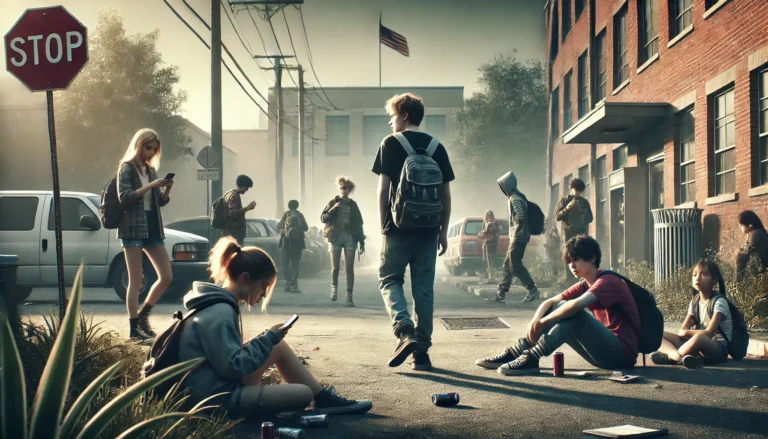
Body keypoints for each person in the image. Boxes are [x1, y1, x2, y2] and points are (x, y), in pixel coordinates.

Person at [177, 236, 373, 417]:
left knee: (277, 346)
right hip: (217, 399)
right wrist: (266, 339)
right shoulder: (220, 312)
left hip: (218, 383)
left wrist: (267, 340)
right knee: (303, 394)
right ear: (246, 278)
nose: (263, 295)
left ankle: (323, 398)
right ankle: (317, 398)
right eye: (263, 286)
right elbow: (232, 367)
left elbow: (226, 359)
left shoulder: (219, 304)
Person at [372, 92, 455, 371]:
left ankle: (404, 329)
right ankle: (422, 353)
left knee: (389, 279)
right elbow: (445, 193)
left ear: (404, 115)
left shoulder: (390, 144)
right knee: (424, 290)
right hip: (429, 230)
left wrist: (384, 225)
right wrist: (443, 231)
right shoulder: (437, 147)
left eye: (393, 116)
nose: (390, 122)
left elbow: (383, 189)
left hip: (398, 228)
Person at [476, 235, 640, 374]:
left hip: (621, 355)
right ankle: (517, 351)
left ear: (592, 258)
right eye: (569, 261)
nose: (572, 266)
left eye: (576, 259)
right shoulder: (586, 284)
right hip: (603, 353)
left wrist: (542, 324)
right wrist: (535, 322)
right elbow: (551, 301)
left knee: (576, 315)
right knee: (557, 308)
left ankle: (533, 358)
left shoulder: (608, 281)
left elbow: (575, 306)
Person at [117, 128, 174, 340]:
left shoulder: (150, 170)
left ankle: (143, 316)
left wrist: (166, 189)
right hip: (132, 228)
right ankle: (134, 329)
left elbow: (158, 201)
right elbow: (125, 197)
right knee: (135, 281)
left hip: (152, 227)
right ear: (139, 145)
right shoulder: (127, 168)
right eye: (148, 148)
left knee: (166, 276)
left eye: (155, 149)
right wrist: (150, 185)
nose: (151, 152)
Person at [650, 259, 733, 369]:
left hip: (718, 348)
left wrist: (687, 332)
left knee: (700, 337)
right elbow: (682, 330)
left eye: (704, 274)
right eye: (694, 275)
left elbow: (708, 334)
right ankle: (682, 357)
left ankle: (671, 358)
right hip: (696, 346)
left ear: (714, 280)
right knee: (659, 334)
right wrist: (686, 331)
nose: (697, 278)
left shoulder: (719, 302)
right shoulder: (694, 302)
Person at [486, 171, 540, 304]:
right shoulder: (519, 196)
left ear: (507, 186)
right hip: (520, 236)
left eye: (503, 186)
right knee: (507, 265)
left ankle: (532, 289)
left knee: (515, 266)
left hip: (518, 238)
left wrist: (516, 231)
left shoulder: (514, 198)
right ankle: (501, 294)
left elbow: (520, 217)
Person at [321, 176, 366, 307]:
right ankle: (334, 288)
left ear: (349, 189)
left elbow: (359, 223)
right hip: (335, 237)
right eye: (341, 187)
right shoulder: (332, 202)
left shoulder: (353, 204)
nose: (343, 190)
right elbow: (323, 218)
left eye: (345, 187)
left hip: (350, 238)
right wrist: (333, 208)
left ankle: (349, 297)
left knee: (349, 269)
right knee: (335, 268)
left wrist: (362, 241)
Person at [554, 178, 593, 282]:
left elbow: (590, 218)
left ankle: (581, 279)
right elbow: (557, 217)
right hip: (568, 233)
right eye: (576, 190)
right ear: (571, 189)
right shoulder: (564, 200)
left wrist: (583, 211)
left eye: (579, 191)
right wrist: (567, 208)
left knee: (582, 256)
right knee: (569, 256)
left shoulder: (584, 202)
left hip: (581, 233)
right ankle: (569, 280)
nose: (577, 193)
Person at [277, 200, 309, 293]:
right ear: (297, 206)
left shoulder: (285, 214)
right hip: (297, 242)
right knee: (295, 263)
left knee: (285, 263)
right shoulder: (300, 215)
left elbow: (279, 226)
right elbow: (306, 228)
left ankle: (287, 282)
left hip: (285, 242)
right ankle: (294, 285)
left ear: (288, 206)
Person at [222, 175, 257, 246]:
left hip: (229, 232)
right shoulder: (234, 196)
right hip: (234, 233)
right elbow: (233, 213)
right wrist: (247, 208)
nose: (247, 190)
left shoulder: (228, 194)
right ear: (242, 186)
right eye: (246, 187)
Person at [736, 210, 768, 277]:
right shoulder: (756, 232)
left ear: (750, 225)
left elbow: (746, 250)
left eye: (741, 225)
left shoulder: (756, 234)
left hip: (759, 268)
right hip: (758, 267)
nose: (740, 227)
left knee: (740, 257)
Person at [479, 211, 501, 284]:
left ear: (492, 215)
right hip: (486, 244)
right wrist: (483, 234)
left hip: (492, 243)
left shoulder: (495, 222)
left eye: (490, 214)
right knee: (486, 260)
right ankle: (489, 277)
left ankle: (491, 277)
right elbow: (482, 233)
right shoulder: (485, 222)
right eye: (488, 215)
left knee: (491, 260)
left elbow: (498, 232)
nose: (489, 216)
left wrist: (494, 236)